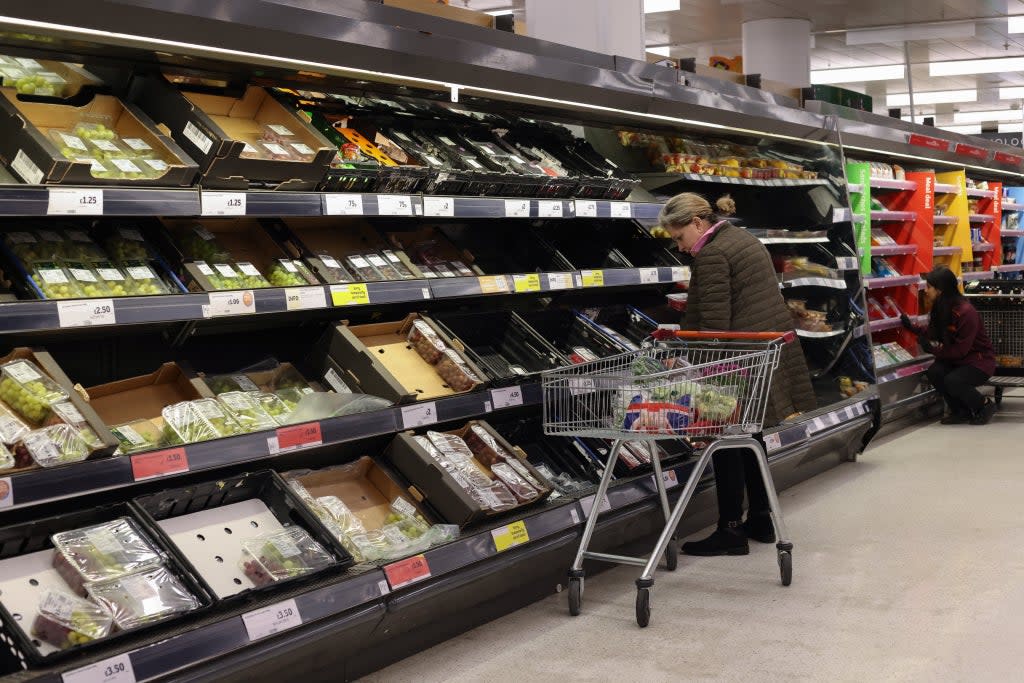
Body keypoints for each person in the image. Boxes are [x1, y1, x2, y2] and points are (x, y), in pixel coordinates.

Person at [659, 192, 817, 556]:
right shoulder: (742, 238)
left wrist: (687, 364)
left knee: (725, 442)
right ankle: (760, 517)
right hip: (760, 357)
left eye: (679, 237)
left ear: (697, 223)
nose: (680, 247)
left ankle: (730, 529)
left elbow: (714, 325)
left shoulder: (713, 253)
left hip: (736, 362)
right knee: (751, 439)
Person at [901, 266, 996, 425]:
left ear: (940, 290)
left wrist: (932, 350)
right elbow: (934, 332)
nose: (926, 291)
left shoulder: (966, 312)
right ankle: (961, 411)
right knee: (934, 372)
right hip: (958, 361)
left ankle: (984, 405)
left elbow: (960, 351)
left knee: (953, 380)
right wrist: (913, 328)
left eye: (929, 287)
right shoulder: (942, 307)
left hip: (979, 362)